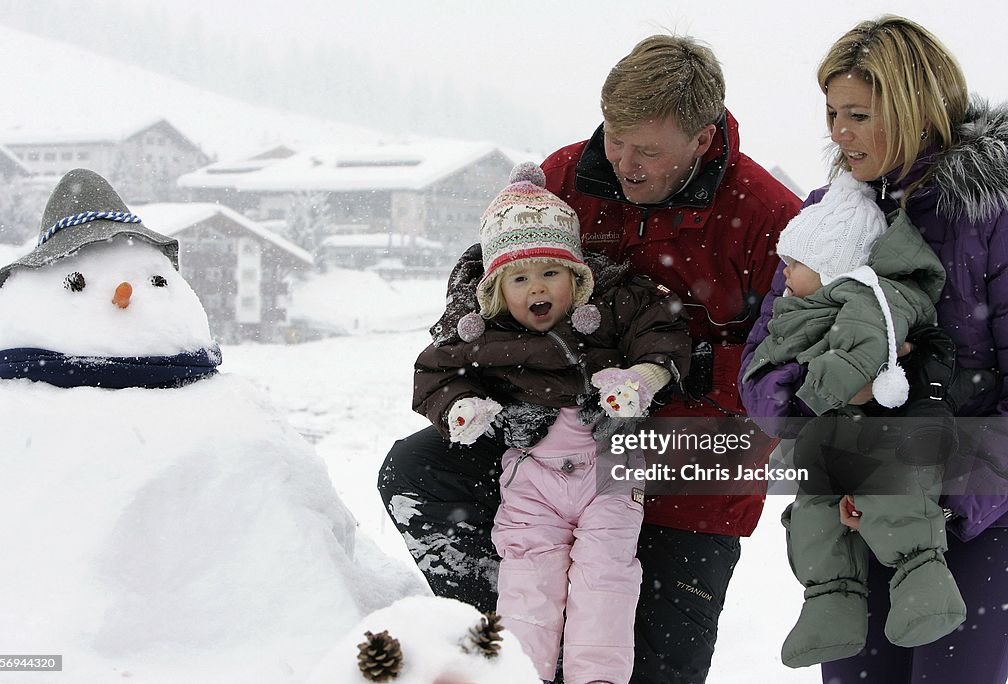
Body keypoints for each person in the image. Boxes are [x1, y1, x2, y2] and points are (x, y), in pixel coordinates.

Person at [379, 34, 802, 683]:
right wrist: (502, 380)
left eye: (649, 151)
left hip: (687, 465)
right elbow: (483, 274)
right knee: (417, 471)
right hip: (547, 437)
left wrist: (665, 384)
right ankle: (519, 644)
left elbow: (789, 361)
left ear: (700, 138)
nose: (625, 162)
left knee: (641, 665)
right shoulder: (566, 176)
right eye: (616, 137)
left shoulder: (768, 217)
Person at [739, 15, 1008, 684]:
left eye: (857, 113)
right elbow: (765, 363)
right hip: (853, 507)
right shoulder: (827, 216)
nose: (838, 132)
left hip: (978, 517)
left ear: (916, 109)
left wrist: (937, 494)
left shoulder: (991, 213)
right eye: (832, 113)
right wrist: (828, 401)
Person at [413, 162, 690, 684]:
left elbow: (665, 335)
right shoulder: (482, 332)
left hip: (609, 468)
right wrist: (461, 405)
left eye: (550, 274)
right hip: (532, 475)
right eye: (519, 278)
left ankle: (598, 677)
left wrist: (641, 378)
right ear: (498, 290)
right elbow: (434, 372)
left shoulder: (615, 305)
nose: (536, 289)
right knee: (527, 579)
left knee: (605, 578)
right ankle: (521, 673)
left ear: (576, 276)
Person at [741, 170, 968, 667]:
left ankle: (925, 585)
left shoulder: (865, 299)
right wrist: (787, 400)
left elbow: (860, 353)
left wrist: (812, 390)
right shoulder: (800, 307)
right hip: (825, 445)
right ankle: (830, 603)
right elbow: (759, 367)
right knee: (815, 520)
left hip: (875, 435)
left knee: (896, 507)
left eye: (795, 263)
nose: (785, 273)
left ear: (833, 267)